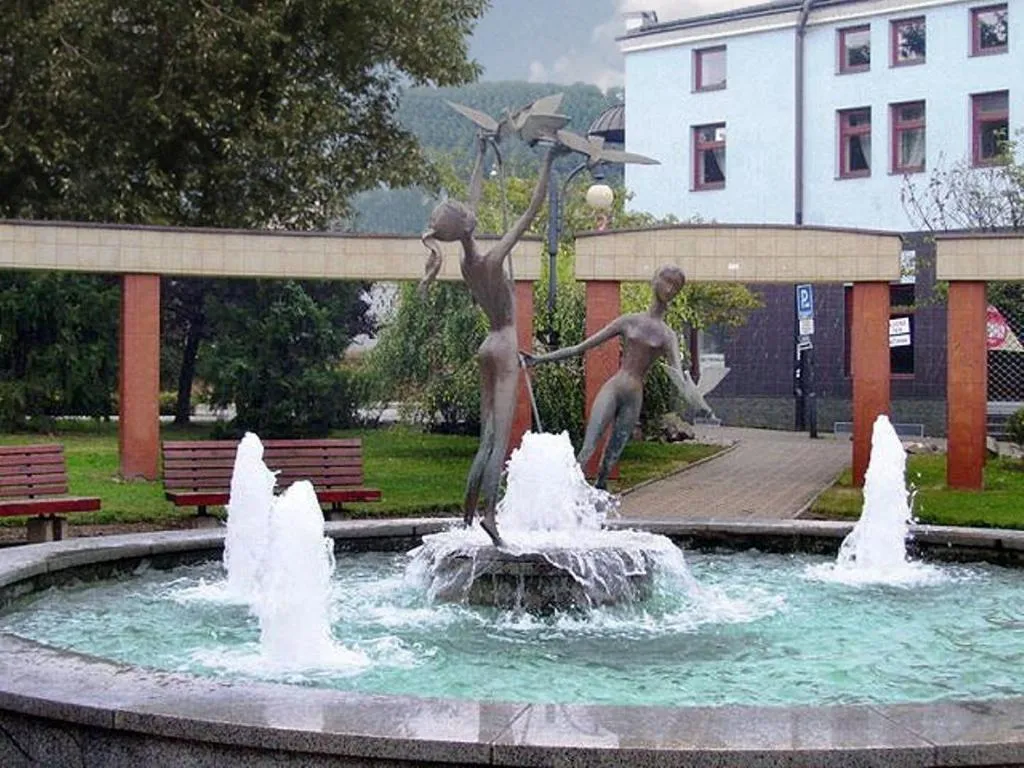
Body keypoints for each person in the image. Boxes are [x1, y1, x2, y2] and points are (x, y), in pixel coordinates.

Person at [420, 135, 559, 547]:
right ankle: (490, 515)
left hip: (488, 345)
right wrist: (549, 161)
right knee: (501, 437)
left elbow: (470, 200)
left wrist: (479, 152)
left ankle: (467, 511)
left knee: (486, 435)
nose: (470, 209)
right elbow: (533, 210)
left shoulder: (467, 262)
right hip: (503, 345)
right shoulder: (494, 258)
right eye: (465, 212)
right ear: (465, 225)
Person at [523, 265, 713, 489]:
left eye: (676, 286)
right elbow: (580, 348)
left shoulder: (667, 335)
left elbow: (678, 377)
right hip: (614, 388)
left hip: (634, 397)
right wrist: (538, 359)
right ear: (655, 280)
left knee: (610, 459)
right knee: (588, 448)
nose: (670, 289)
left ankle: (599, 503)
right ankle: (562, 495)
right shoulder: (628, 321)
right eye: (667, 281)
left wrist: (700, 404)